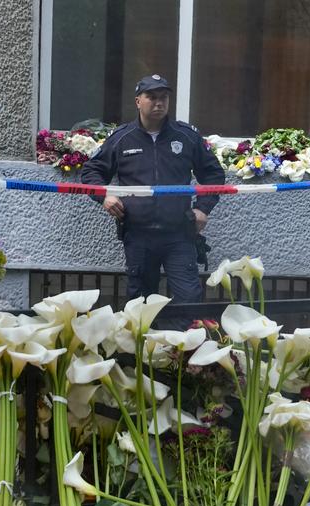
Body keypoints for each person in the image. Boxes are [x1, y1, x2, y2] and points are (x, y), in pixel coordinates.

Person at [80, 74, 225, 326]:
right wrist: (105, 196)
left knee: (189, 300)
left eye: (164, 97)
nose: (159, 103)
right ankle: (143, 359)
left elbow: (213, 174)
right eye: (151, 97)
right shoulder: (122, 138)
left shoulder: (186, 136)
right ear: (138, 101)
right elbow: (91, 171)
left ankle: (184, 358)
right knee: (139, 305)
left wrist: (203, 209)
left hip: (179, 234)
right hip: (138, 235)